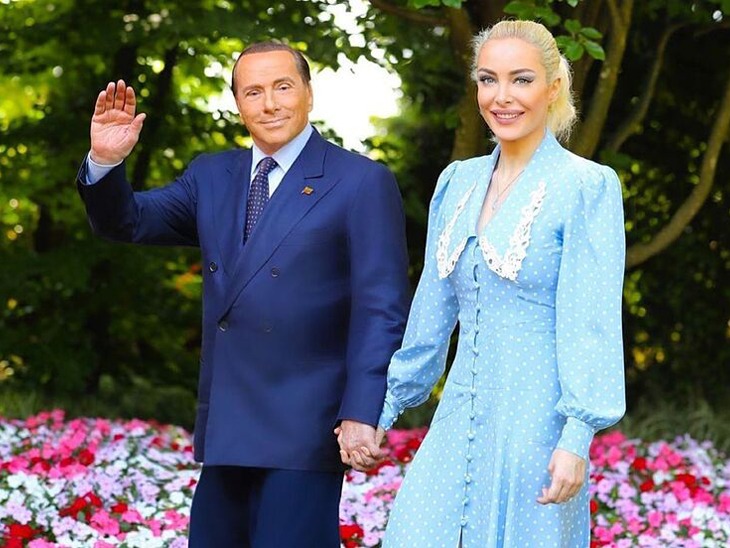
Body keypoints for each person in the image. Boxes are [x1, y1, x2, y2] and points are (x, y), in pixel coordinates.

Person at [76, 41, 410, 547]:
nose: (269, 104)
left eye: (283, 87)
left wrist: (363, 410)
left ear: (309, 93)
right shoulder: (212, 175)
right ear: (237, 103)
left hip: (307, 424)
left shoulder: (360, 181)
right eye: (253, 92)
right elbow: (129, 221)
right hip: (228, 422)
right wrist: (105, 162)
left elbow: (381, 307)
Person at [364, 19, 626, 547]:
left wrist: (577, 436)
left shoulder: (585, 186)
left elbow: (591, 322)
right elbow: (431, 315)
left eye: (521, 80)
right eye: (488, 79)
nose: (501, 97)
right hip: (457, 416)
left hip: (538, 428)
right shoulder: (456, 182)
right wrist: (381, 409)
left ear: (554, 87)